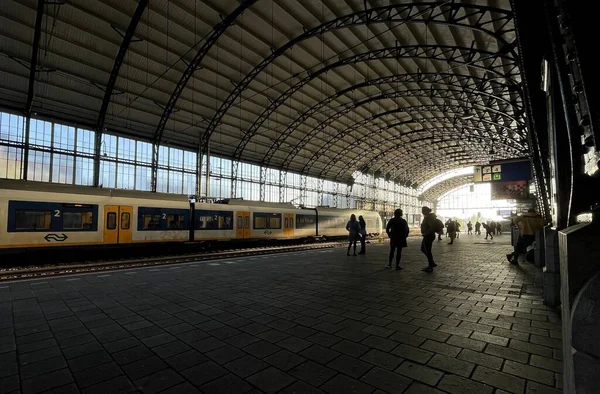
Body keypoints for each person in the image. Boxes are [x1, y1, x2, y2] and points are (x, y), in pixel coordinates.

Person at [420, 206, 440, 272]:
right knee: (423, 249)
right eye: (422, 210)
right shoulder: (427, 217)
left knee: (427, 251)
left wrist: (426, 233)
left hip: (429, 235)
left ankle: (430, 266)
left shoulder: (430, 217)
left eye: (423, 210)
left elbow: (432, 227)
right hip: (428, 235)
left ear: (427, 211)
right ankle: (432, 262)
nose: (422, 212)